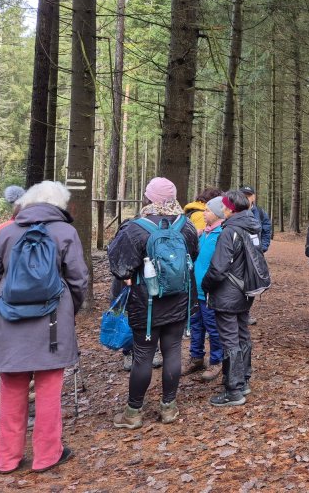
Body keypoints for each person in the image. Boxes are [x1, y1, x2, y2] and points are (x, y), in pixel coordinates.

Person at [0, 181, 89, 473]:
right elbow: (78, 279)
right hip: (52, 322)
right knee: (49, 389)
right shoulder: (66, 232)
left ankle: (7, 458)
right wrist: (69, 309)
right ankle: (47, 455)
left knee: (11, 387)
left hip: (9, 319)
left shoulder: (8, 231)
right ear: (58, 204)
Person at [109, 177, 199, 429]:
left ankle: (133, 412)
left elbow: (120, 267)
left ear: (147, 198)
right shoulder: (187, 226)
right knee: (172, 351)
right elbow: (194, 255)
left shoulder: (134, 228)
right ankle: (168, 408)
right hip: (180, 300)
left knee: (143, 356)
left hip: (145, 304)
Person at [202, 190, 263, 406]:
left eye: (225, 206)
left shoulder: (230, 232)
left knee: (230, 339)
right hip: (245, 291)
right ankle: (244, 379)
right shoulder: (251, 227)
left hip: (228, 292)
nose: (223, 209)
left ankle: (234, 389)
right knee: (242, 334)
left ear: (230, 209)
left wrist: (205, 284)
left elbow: (218, 268)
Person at [186, 196, 226, 381]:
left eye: (208, 210)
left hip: (211, 292)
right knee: (196, 325)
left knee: (213, 327)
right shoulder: (203, 233)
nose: (204, 213)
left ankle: (217, 361)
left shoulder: (222, 235)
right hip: (196, 291)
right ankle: (196, 358)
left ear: (218, 214)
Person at [241, 185, 271, 326]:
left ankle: (245, 313)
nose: (247, 197)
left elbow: (266, 229)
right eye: (244, 195)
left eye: (249, 195)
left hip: (255, 256)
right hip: (239, 254)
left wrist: (262, 247)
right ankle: (239, 313)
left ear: (254, 196)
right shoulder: (235, 211)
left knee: (252, 282)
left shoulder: (259, 212)